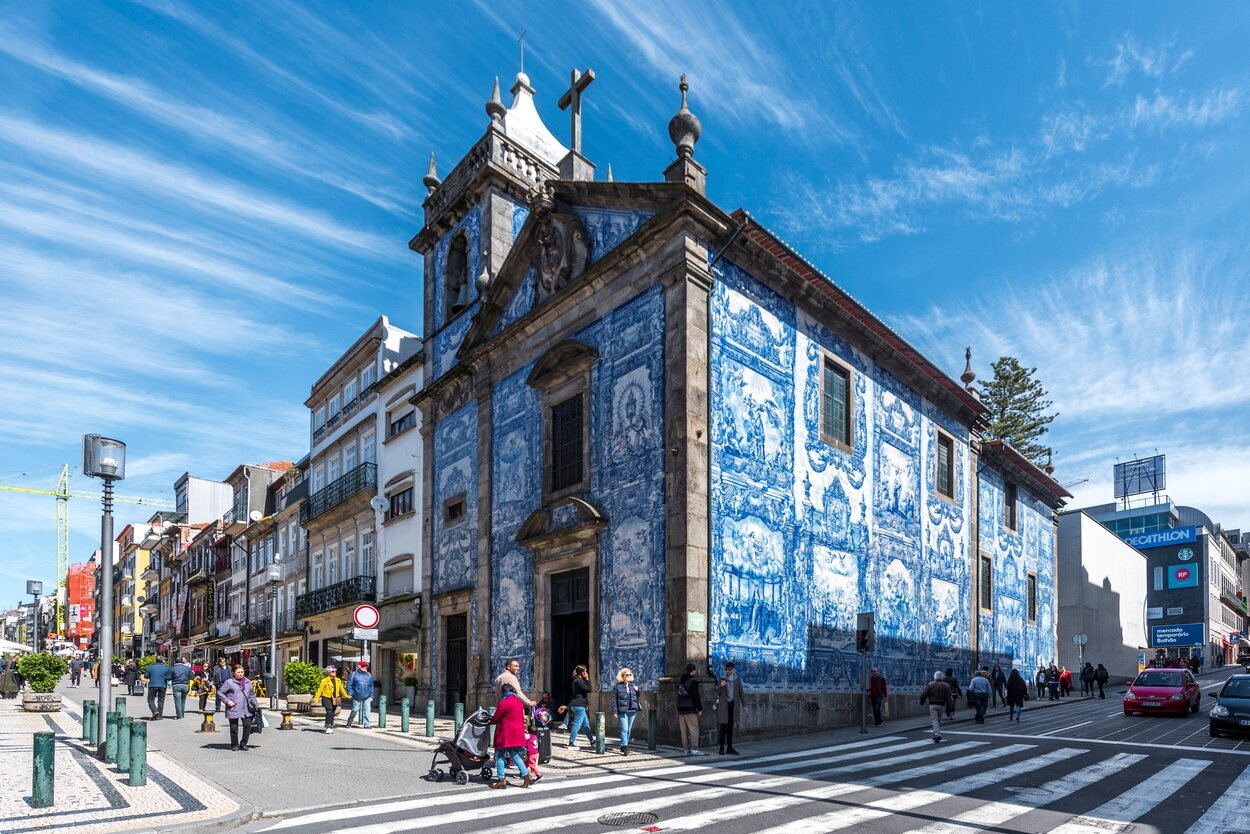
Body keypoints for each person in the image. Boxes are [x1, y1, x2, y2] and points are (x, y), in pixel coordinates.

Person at [488, 684, 533, 789]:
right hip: (517, 734)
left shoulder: (504, 703)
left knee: (499, 755)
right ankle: (526, 776)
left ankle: (501, 779)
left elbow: (496, 718)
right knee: (515, 754)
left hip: (506, 734)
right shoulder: (519, 703)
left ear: (503, 693)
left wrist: (490, 721)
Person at [218, 664, 260, 752]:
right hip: (233, 708)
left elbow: (252, 695)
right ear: (233, 673)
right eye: (238, 672)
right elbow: (220, 692)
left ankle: (243, 743)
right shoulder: (229, 682)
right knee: (234, 728)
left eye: (242, 672)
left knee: (247, 725)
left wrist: (256, 706)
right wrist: (227, 701)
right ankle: (234, 744)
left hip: (246, 708)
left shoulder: (248, 682)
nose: (241, 674)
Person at [716, 661, 745, 755]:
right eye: (726, 669)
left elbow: (741, 693)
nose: (728, 671)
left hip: (733, 705)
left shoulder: (737, 680)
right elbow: (718, 693)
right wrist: (721, 686)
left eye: (730, 669)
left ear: (733, 670)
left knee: (730, 727)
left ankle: (729, 746)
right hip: (725, 706)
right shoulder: (722, 679)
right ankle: (721, 747)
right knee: (723, 727)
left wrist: (744, 705)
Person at [611, 667, 641, 756]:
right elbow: (613, 699)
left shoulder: (632, 685)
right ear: (622, 676)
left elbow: (637, 696)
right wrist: (614, 711)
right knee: (624, 729)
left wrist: (637, 690)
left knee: (628, 730)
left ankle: (624, 745)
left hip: (632, 710)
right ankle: (625, 746)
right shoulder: (617, 687)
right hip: (622, 711)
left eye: (630, 674)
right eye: (627, 675)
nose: (629, 676)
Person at [677, 662, 704, 754]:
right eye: (695, 670)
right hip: (690, 708)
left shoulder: (681, 680)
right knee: (693, 729)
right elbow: (695, 696)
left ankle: (685, 749)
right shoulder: (693, 681)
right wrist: (699, 708)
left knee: (683, 730)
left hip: (681, 708)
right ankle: (694, 749)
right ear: (693, 671)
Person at [920, 671, 954, 743]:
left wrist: (922, 701)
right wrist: (951, 707)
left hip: (932, 704)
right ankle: (936, 734)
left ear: (935, 677)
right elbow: (949, 698)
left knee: (934, 720)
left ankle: (937, 734)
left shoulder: (930, 684)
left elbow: (924, 694)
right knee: (938, 720)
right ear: (942, 677)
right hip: (941, 705)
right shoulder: (946, 685)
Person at [566, 665, 595, 749]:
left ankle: (592, 741)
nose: (586, 673)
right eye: (585, 671)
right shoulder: (578, 681)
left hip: (578, 705)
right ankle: (571, 743)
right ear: (582, 672)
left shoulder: (576, 680)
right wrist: (588, 679)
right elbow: (589, 689)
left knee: (585, 724)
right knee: (577, 724)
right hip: (579, 705)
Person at [314, 665, 348, 733]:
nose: (334, 672)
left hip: (336, 698)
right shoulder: (324, 681)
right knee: (329, 711)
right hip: (327, 698)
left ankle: (331, 725)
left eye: (335, 671)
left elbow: (341, 689)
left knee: (332, 712)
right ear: (328, 672)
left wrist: (346, 696)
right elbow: (319, 690)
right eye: (332, 671)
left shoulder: (338, 680)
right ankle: (328, 727)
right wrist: (316, 699)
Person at [346, 660, 375, 729]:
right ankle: (349, 721)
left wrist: (371, 696)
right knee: (355, 709)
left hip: (367, 696)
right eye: (363, 666)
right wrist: (350, 693)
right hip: (356, 695)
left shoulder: (369, 675)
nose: (365, 668)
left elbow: (371, 686)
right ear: (359, 666)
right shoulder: (353, 674)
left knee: (367, 710)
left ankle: (367, 724)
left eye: (366, 666)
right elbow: (349, 685)